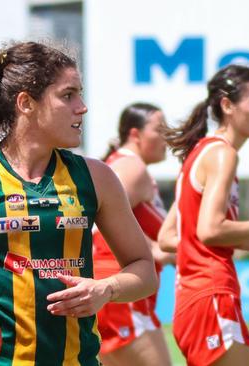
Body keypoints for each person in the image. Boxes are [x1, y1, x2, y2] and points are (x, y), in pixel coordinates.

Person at [0, 41, 158, 366]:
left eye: (80, 94)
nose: (82, 107)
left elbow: (144, 270)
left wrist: (106, 289)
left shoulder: (96, 177)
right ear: (26, 103)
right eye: (68, 95)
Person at [158, 64, 249, 366]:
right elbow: (208, 230)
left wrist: (241, 236)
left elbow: (171, 236)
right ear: (227, 105)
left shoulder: (201, 153)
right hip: (210, 294)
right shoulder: (223, 154)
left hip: (195, 300)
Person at [92, 103, 175, 366]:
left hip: (115, 290)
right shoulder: (131, 167)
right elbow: (101, 223)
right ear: (136, 134)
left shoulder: (122, 165)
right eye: (159, 129)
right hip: (122, 290)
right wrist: (154, 250)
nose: (167, 136)